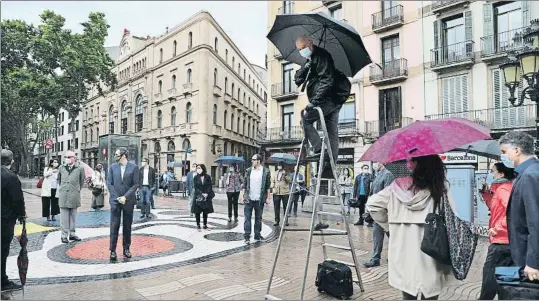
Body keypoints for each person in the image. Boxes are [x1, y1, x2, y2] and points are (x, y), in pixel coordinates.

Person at [366, 155, 453, 300]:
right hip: (432, 248)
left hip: (403, 247)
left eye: (409, 160)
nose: (406, 163)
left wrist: (389, 225)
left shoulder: (396, 186)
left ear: (416, 163)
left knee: (407, 291)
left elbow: (372, 205)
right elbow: (451, 216)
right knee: (431, 292)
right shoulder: (439, 187)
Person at [295, 35, 343, 178]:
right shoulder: (310, 60)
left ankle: (318, 148)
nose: (301, 51)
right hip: (334, 99)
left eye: (303, 48)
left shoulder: (322, 56)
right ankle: (329, 168)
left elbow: (326, 82)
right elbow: (298, 79)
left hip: (328, 99)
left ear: (310, 43)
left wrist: (314, 102)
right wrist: (306, 67)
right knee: (332, 133)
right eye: (299, 49)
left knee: (305, 120)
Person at [499, 131, 539, 282]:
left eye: (504, 152)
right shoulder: (526, 173)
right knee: (501, 282)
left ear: (516, 150)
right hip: (517, 254)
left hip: (527, 261)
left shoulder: (530, 175)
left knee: (516, 292)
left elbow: (535, 221)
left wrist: (533, 262)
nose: (502, 157)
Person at [478, 162, 515, 300]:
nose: (491, 175)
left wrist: (497, 228)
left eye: (493, 172)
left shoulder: (504, 190)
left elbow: (512, 212)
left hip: (501, 243)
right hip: (509, 243)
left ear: (501, 174)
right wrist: (487, 195)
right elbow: (496, 209)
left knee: (488, 285)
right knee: (506, 286)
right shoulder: (504, 188)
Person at [107, 147, 139, 260]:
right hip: (115, 201)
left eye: (117, 154)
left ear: (123, 155)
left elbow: (135, 184)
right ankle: (112, 250)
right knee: (114, 226)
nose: (115, 156)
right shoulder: (112, 167)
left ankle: (126, 248)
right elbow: (109, 183)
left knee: (127, 226)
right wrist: (117, 197)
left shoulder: (134, 168)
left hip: (128, 201)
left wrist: (125, 197)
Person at [1, 149, 25, 291]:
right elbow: (17, 200)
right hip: (4, 220)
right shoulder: (11, 177)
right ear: (12, 161)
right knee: (3, 250)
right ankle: (2, 281)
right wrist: (22, 215)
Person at [364, 162, 395, 268]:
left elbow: (388, 193)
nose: (374, 163)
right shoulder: (378, 174)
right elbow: (372, 192)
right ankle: (376, 258)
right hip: (376, 210)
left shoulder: (388, 174)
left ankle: (392, 256)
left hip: (383, 211)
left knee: (391, 235)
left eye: (376, 161)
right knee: (378, 235)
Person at [242, 154, 271, 244]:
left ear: (258, 161)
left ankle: (257, 235)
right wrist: (242, 196)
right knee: (247, 218)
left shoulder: (265, 171)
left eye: (253, 160)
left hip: (259, 199)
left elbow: (267, 186)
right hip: (249, 198)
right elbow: (244, 184)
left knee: (258, 218)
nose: (252, 161)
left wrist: (268, 198)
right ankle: (247, 236)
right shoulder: (248, 170)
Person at [57, 150, 84, 244]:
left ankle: (72, 234)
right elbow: (59, 180)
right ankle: (64, 235)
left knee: (73, 216)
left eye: (69, 157)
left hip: (74, 195)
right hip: (64, 195)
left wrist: (75, 190)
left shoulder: (80, 168)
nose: (67, 159)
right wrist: (63, 189)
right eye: (66, 157)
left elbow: (81, 182)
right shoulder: (61, 168)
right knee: (64, 218)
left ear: (74, 158)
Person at [192, 164, 215, 229]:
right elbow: (195, 187)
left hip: (206, 196)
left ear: (203, 169)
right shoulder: (196, 177)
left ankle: (205, 224)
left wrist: (206, 193)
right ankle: (198, 224)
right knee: (197, 211)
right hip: (198, 196)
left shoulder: (207, 177)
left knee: (205, 211)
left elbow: (209, 186)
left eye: (199, 168)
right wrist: (201, 194)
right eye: (197, 168)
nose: (198, 169)